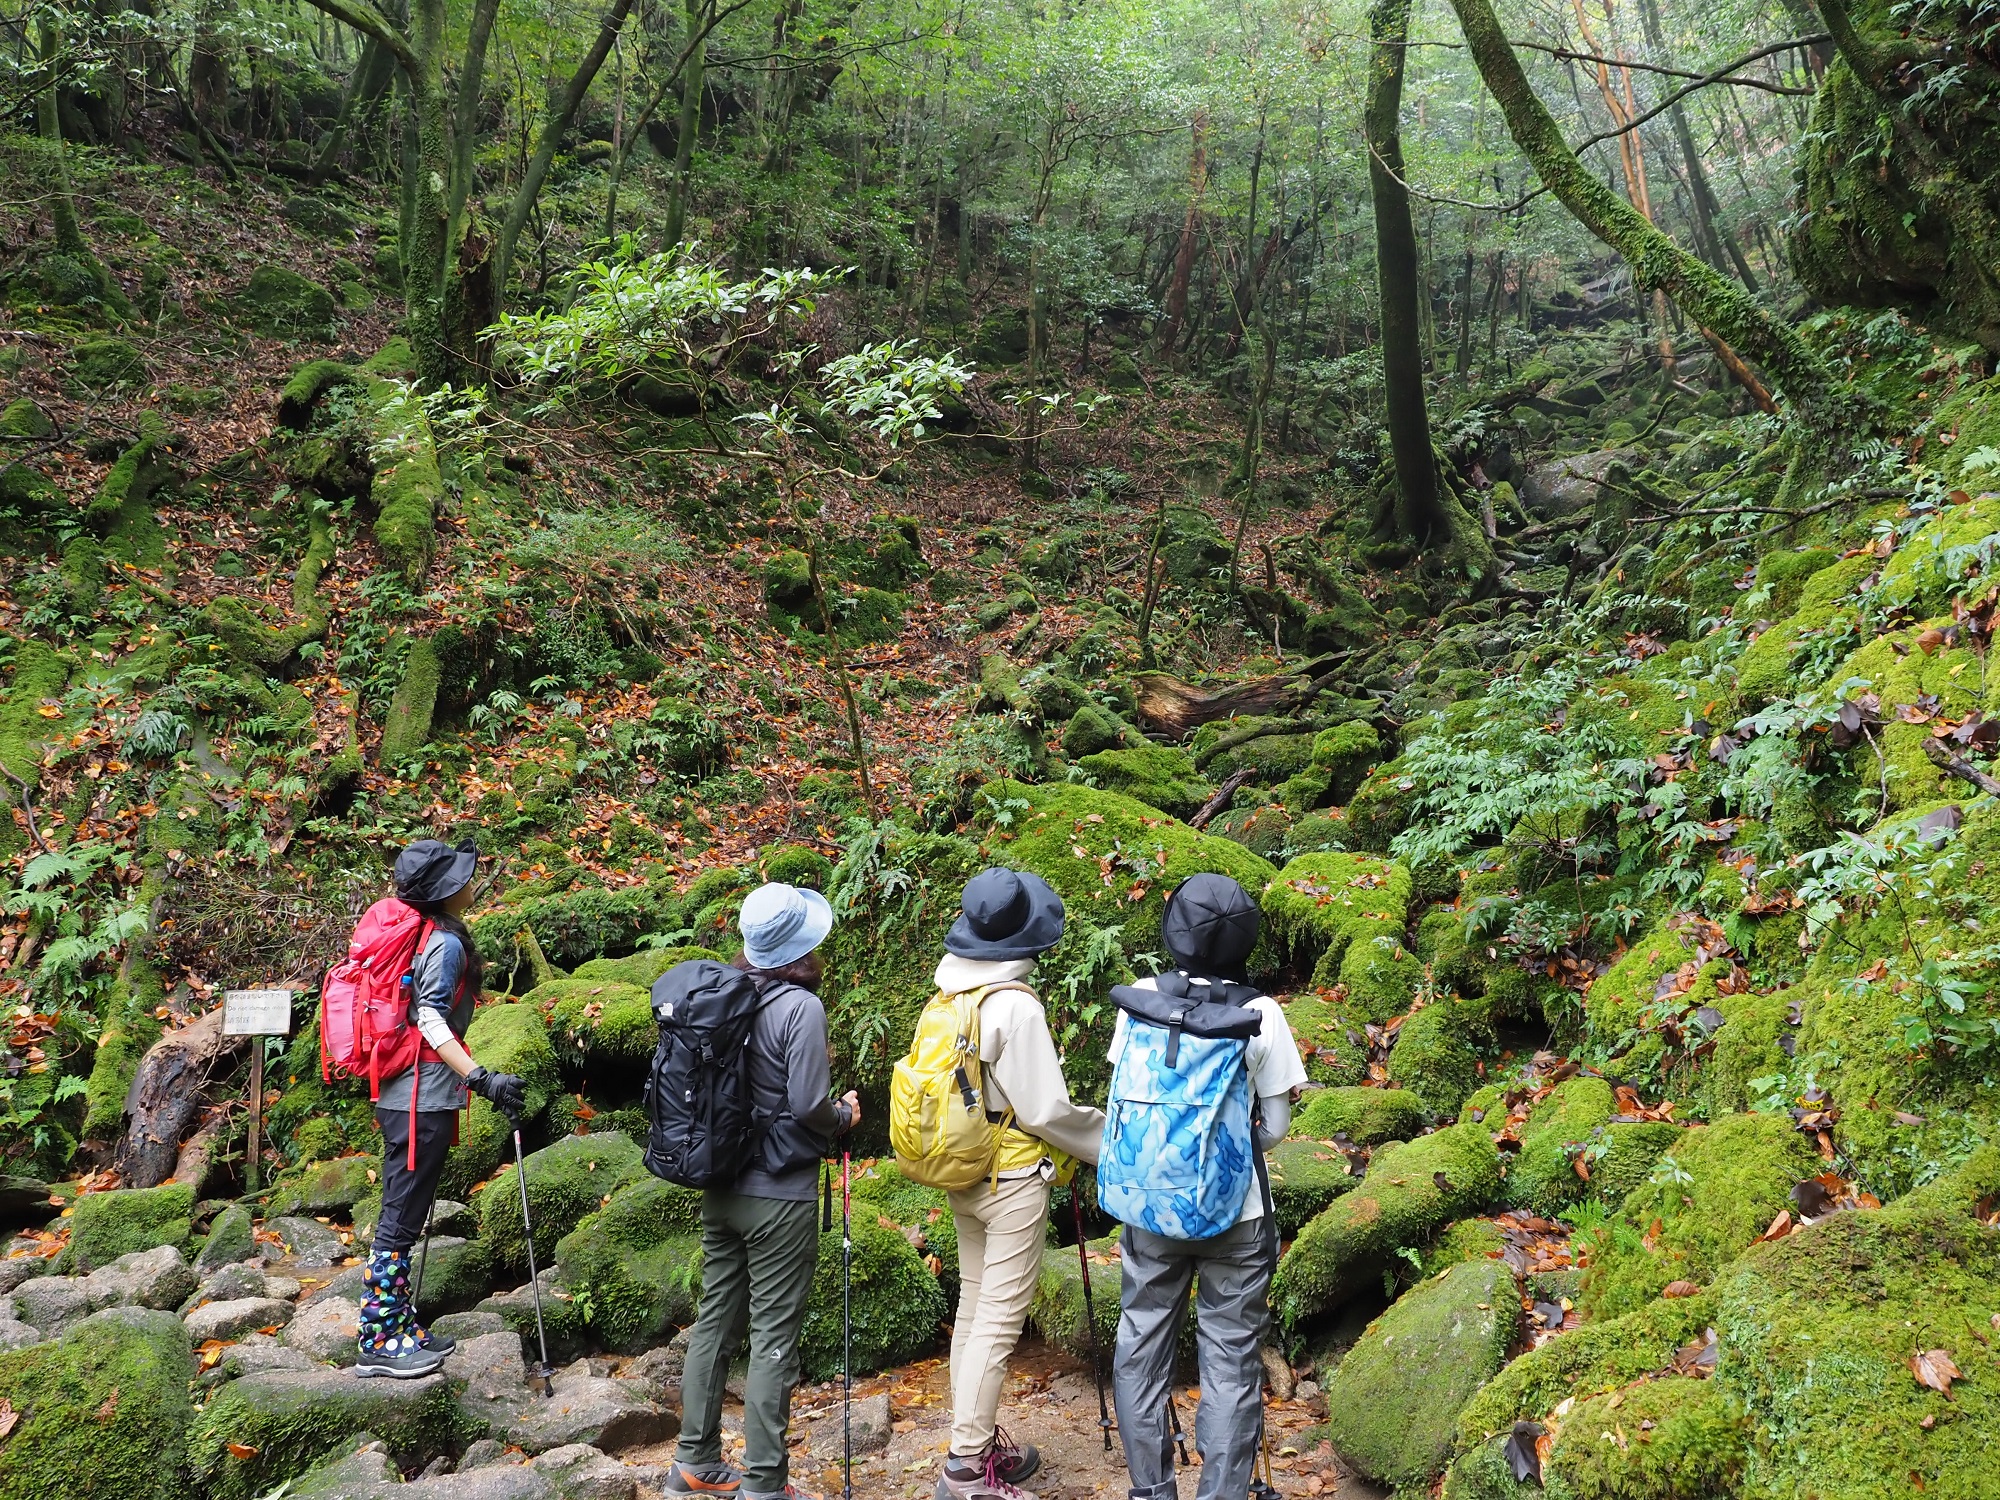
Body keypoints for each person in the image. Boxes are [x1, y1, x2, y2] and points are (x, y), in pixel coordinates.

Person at [1107, 874, 1306, 1500]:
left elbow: (1127, 1101)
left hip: (1148, 1205)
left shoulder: (1139, 999)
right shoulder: (1262, 1015)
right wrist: (1221, 1149)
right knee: (1229, 1361)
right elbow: (1273, 1127)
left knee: (1140, 1344)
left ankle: (1150, 1489)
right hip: (1235, 1215)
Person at [664, 883, 861, 1500]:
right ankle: (765, 1484)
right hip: (781, 1197)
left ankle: (693, 1461)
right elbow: (808, 1107)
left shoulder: (718, 997)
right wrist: (846, 1115)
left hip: (720, 1183)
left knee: (713, 1323)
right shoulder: (800, 1008)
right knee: (774, 1336)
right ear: (801, 948)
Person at [932, 868, 1106, 1500]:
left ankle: (969, 1444)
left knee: (974, 1311)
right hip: (1010, 1181)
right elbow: (1046, 1111)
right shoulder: (1014, 1006)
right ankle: (964, 1469)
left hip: (965, 1172)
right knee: (999, 1324)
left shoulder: (949, 996)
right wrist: (1107, 1141)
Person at [358, 838, 528, 1379]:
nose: (472, 881)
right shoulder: (445, 944)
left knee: (405, 1210)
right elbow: (429, 1018)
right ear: (447, 891)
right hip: (419, 1098)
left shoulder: (427, 934)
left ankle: (399, 1325)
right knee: (401, 1216)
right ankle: (379, 1338)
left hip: (408, 1091)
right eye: (463, 875)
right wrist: (480, 1077)